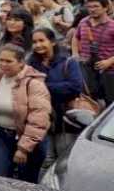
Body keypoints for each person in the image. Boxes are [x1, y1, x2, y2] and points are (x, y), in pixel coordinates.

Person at [0, 45, 51, 183]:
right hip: (3, 136)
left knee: (25, 182)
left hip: (29, 141)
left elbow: (38, 119)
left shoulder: (34, 84)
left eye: (9, 61)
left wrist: (23, 148)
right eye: (1, 60)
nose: (3, 64)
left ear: (21, 62)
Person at [29, 28, 85, 173]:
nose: (38, 45)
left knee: (64, 161)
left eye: (42, 41)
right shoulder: (31, 64)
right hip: (41, 118)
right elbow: (27, 87)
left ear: (52, 42)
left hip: (65, 120)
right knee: (45, 161)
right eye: (34, 42)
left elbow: (74, 87)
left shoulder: (68, 62)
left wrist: (43, 87)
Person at [71, 0, 114, 104]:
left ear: (105, 7)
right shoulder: (83, 22)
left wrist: (109, 61)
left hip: (108, 71)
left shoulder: (112, 26)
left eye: (96, 6)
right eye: (89, 7)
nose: (92, 9)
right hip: (86, 70)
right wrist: (75, 54)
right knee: (90, 102)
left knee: (110, 102)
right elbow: (75, 38)